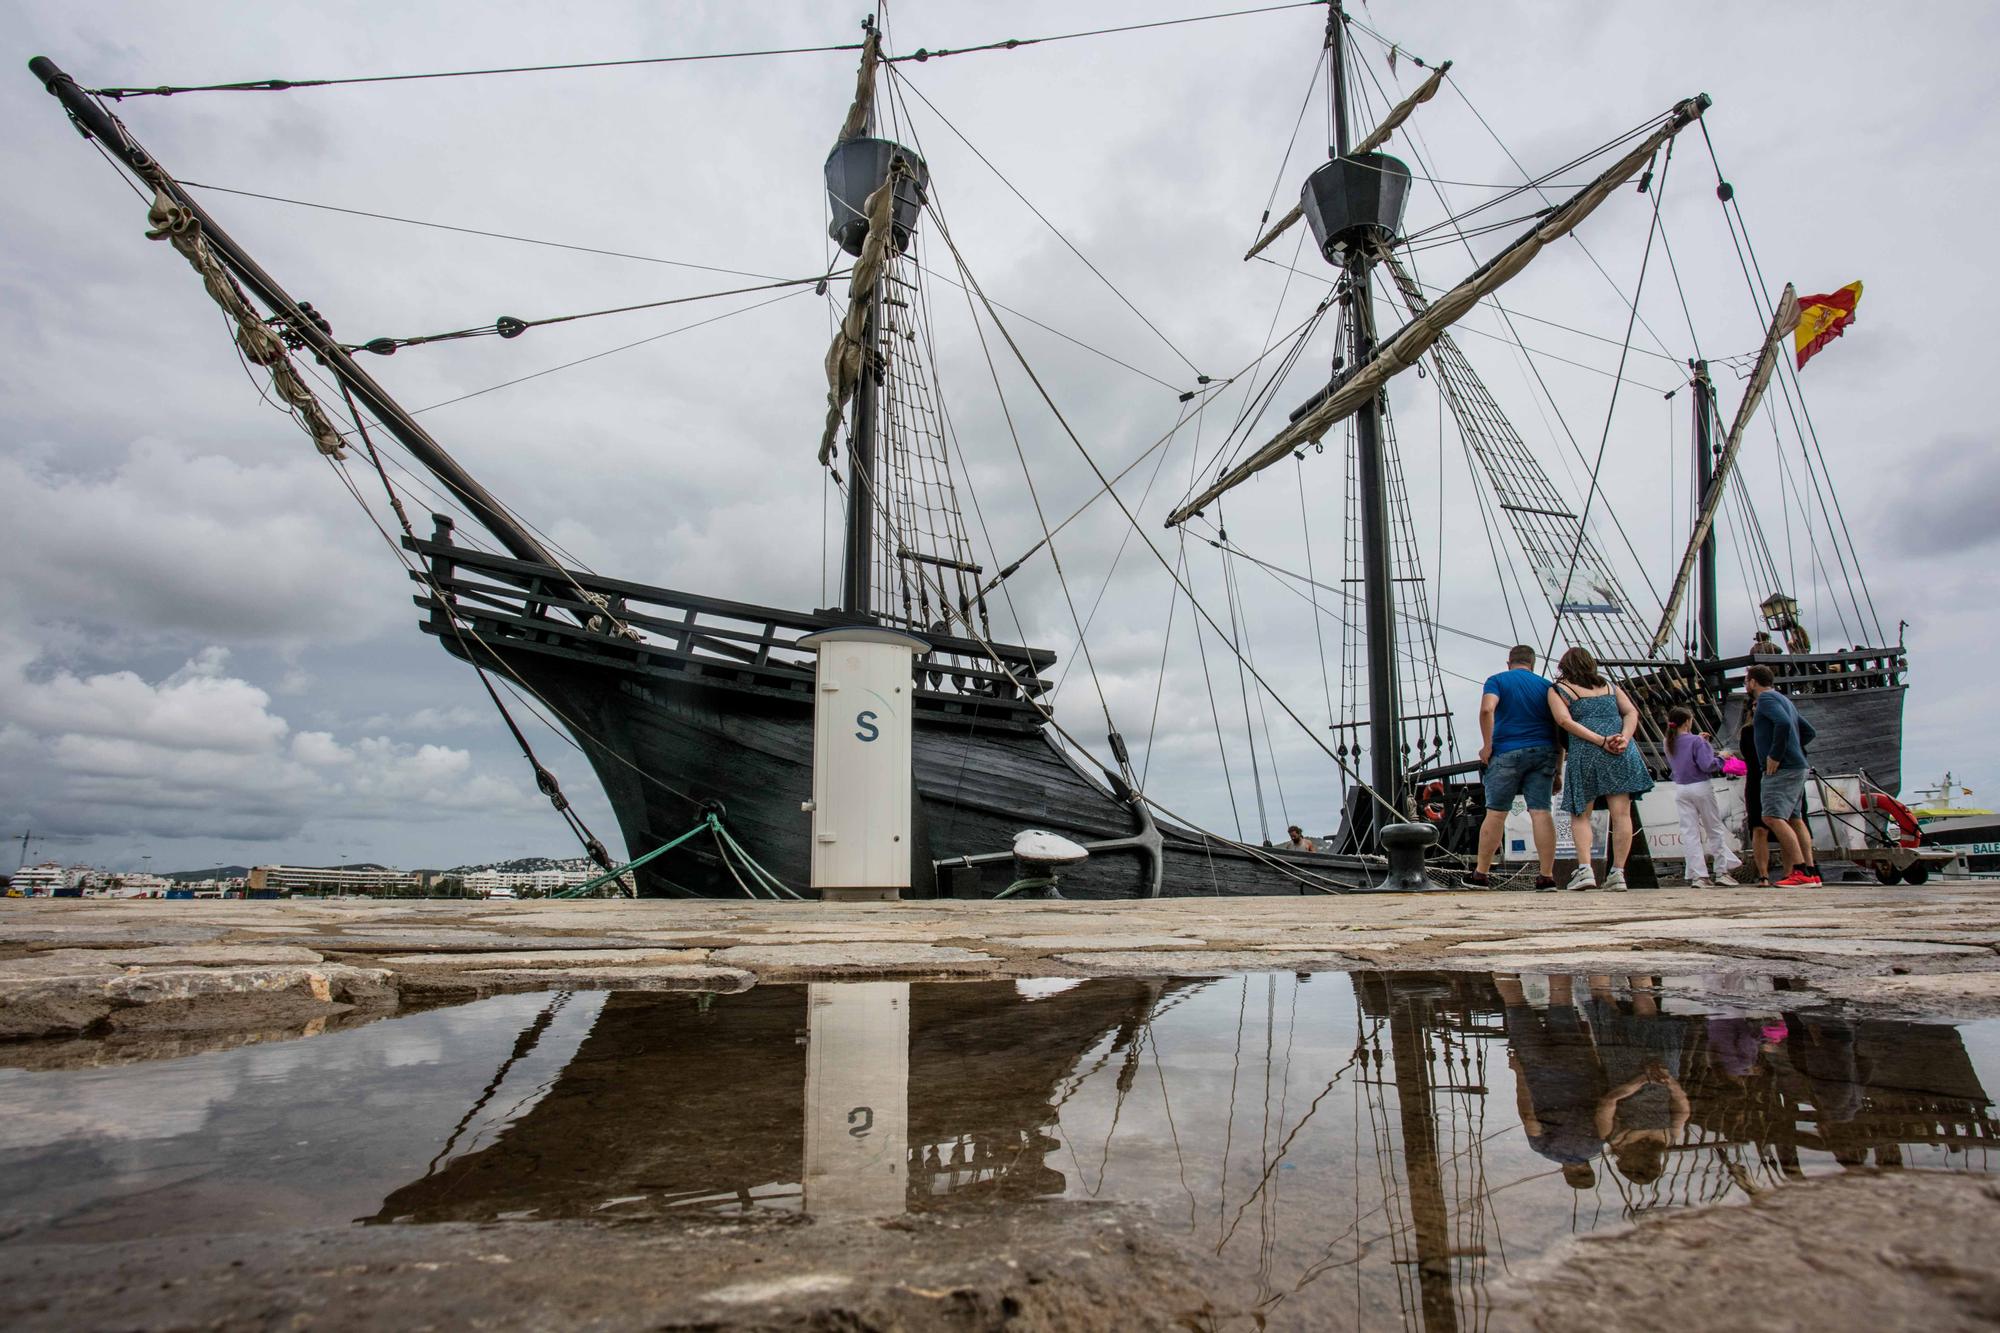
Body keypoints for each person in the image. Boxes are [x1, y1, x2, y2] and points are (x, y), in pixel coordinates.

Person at [1548, 647, 1654, 891]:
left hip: (1587, 752)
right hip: (1620, 750)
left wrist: (1599, 740)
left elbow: (1564, 721)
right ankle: (1618, 872)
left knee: (1581, 813)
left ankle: (1585, 869)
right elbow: (1630, 712)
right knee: (1621, 814)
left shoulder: (1560, 689)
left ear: (1564, 666)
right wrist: (1624, 738)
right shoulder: (1609, 686)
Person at [1469, 645, 1562, 890]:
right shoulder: (1547, 687)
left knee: (1497, 813)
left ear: (1508, 662)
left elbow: (1487, 709)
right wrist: (1559, 770)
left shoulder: (1497, 681)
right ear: (1533, 664)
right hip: (1544, 751)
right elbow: (1559, 726)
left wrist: (1487, 745)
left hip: (1506, 751)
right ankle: (1546, 876)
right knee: (1541, 812)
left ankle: (1481, 875)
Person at [1746, 663, 1820, 886]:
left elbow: (1783, 723)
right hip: (1797, 765)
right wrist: (1794, 747)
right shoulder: (1784, 700)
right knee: (1795, 818)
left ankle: (1799, 871)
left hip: (1782, 768)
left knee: (1771, 817)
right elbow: (1808, 731)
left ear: (1752, 682)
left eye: (1746, 681)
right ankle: (1811, 871)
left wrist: (1776, 754)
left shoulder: (1766, 700)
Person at [1664, 706, 1742, 888]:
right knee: (1714, 829)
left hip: (1681, 788)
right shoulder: (1697, 742)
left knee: (1690, 833)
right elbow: (1707, 765)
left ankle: (1698, 875)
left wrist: (1702, 743)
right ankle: (1722, 871)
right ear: (1687, 721)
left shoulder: (1668, 741)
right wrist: (1722, 757)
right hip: (1701, 786)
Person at [1737, 716, 1770, 886]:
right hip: (1757, 779)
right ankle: (1763, 875)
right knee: (1758, 827)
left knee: (1783, 825)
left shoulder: (1778, 727)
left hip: (1773, 778)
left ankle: (1791, 871)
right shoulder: (1748, 732)